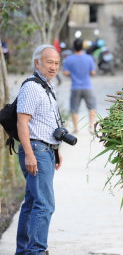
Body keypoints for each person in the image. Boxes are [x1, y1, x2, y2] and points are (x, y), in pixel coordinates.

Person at [16, 44, 63, 255]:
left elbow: (46, 123)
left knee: (33, 202)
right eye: (49, 62)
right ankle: (36, 251)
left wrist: (56, 149)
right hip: (35, 150)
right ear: (37, 63)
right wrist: (29, 154)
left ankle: (24, 250)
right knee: (44, 205)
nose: (53, 67)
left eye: (56, 63)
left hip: (45, 150)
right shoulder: (32, 87)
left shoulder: (47, 86)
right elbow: (22, 123)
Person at [63, 38, 97, 133]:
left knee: (74, 108)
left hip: (75, 87)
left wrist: (72, 74)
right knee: (92, 106)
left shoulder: (69, 59)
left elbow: (65, 73)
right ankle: (91, 126)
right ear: (82, 46)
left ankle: (76, 128)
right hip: (87, 86)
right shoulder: (89, 58)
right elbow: (93, 72)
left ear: (74, 47)